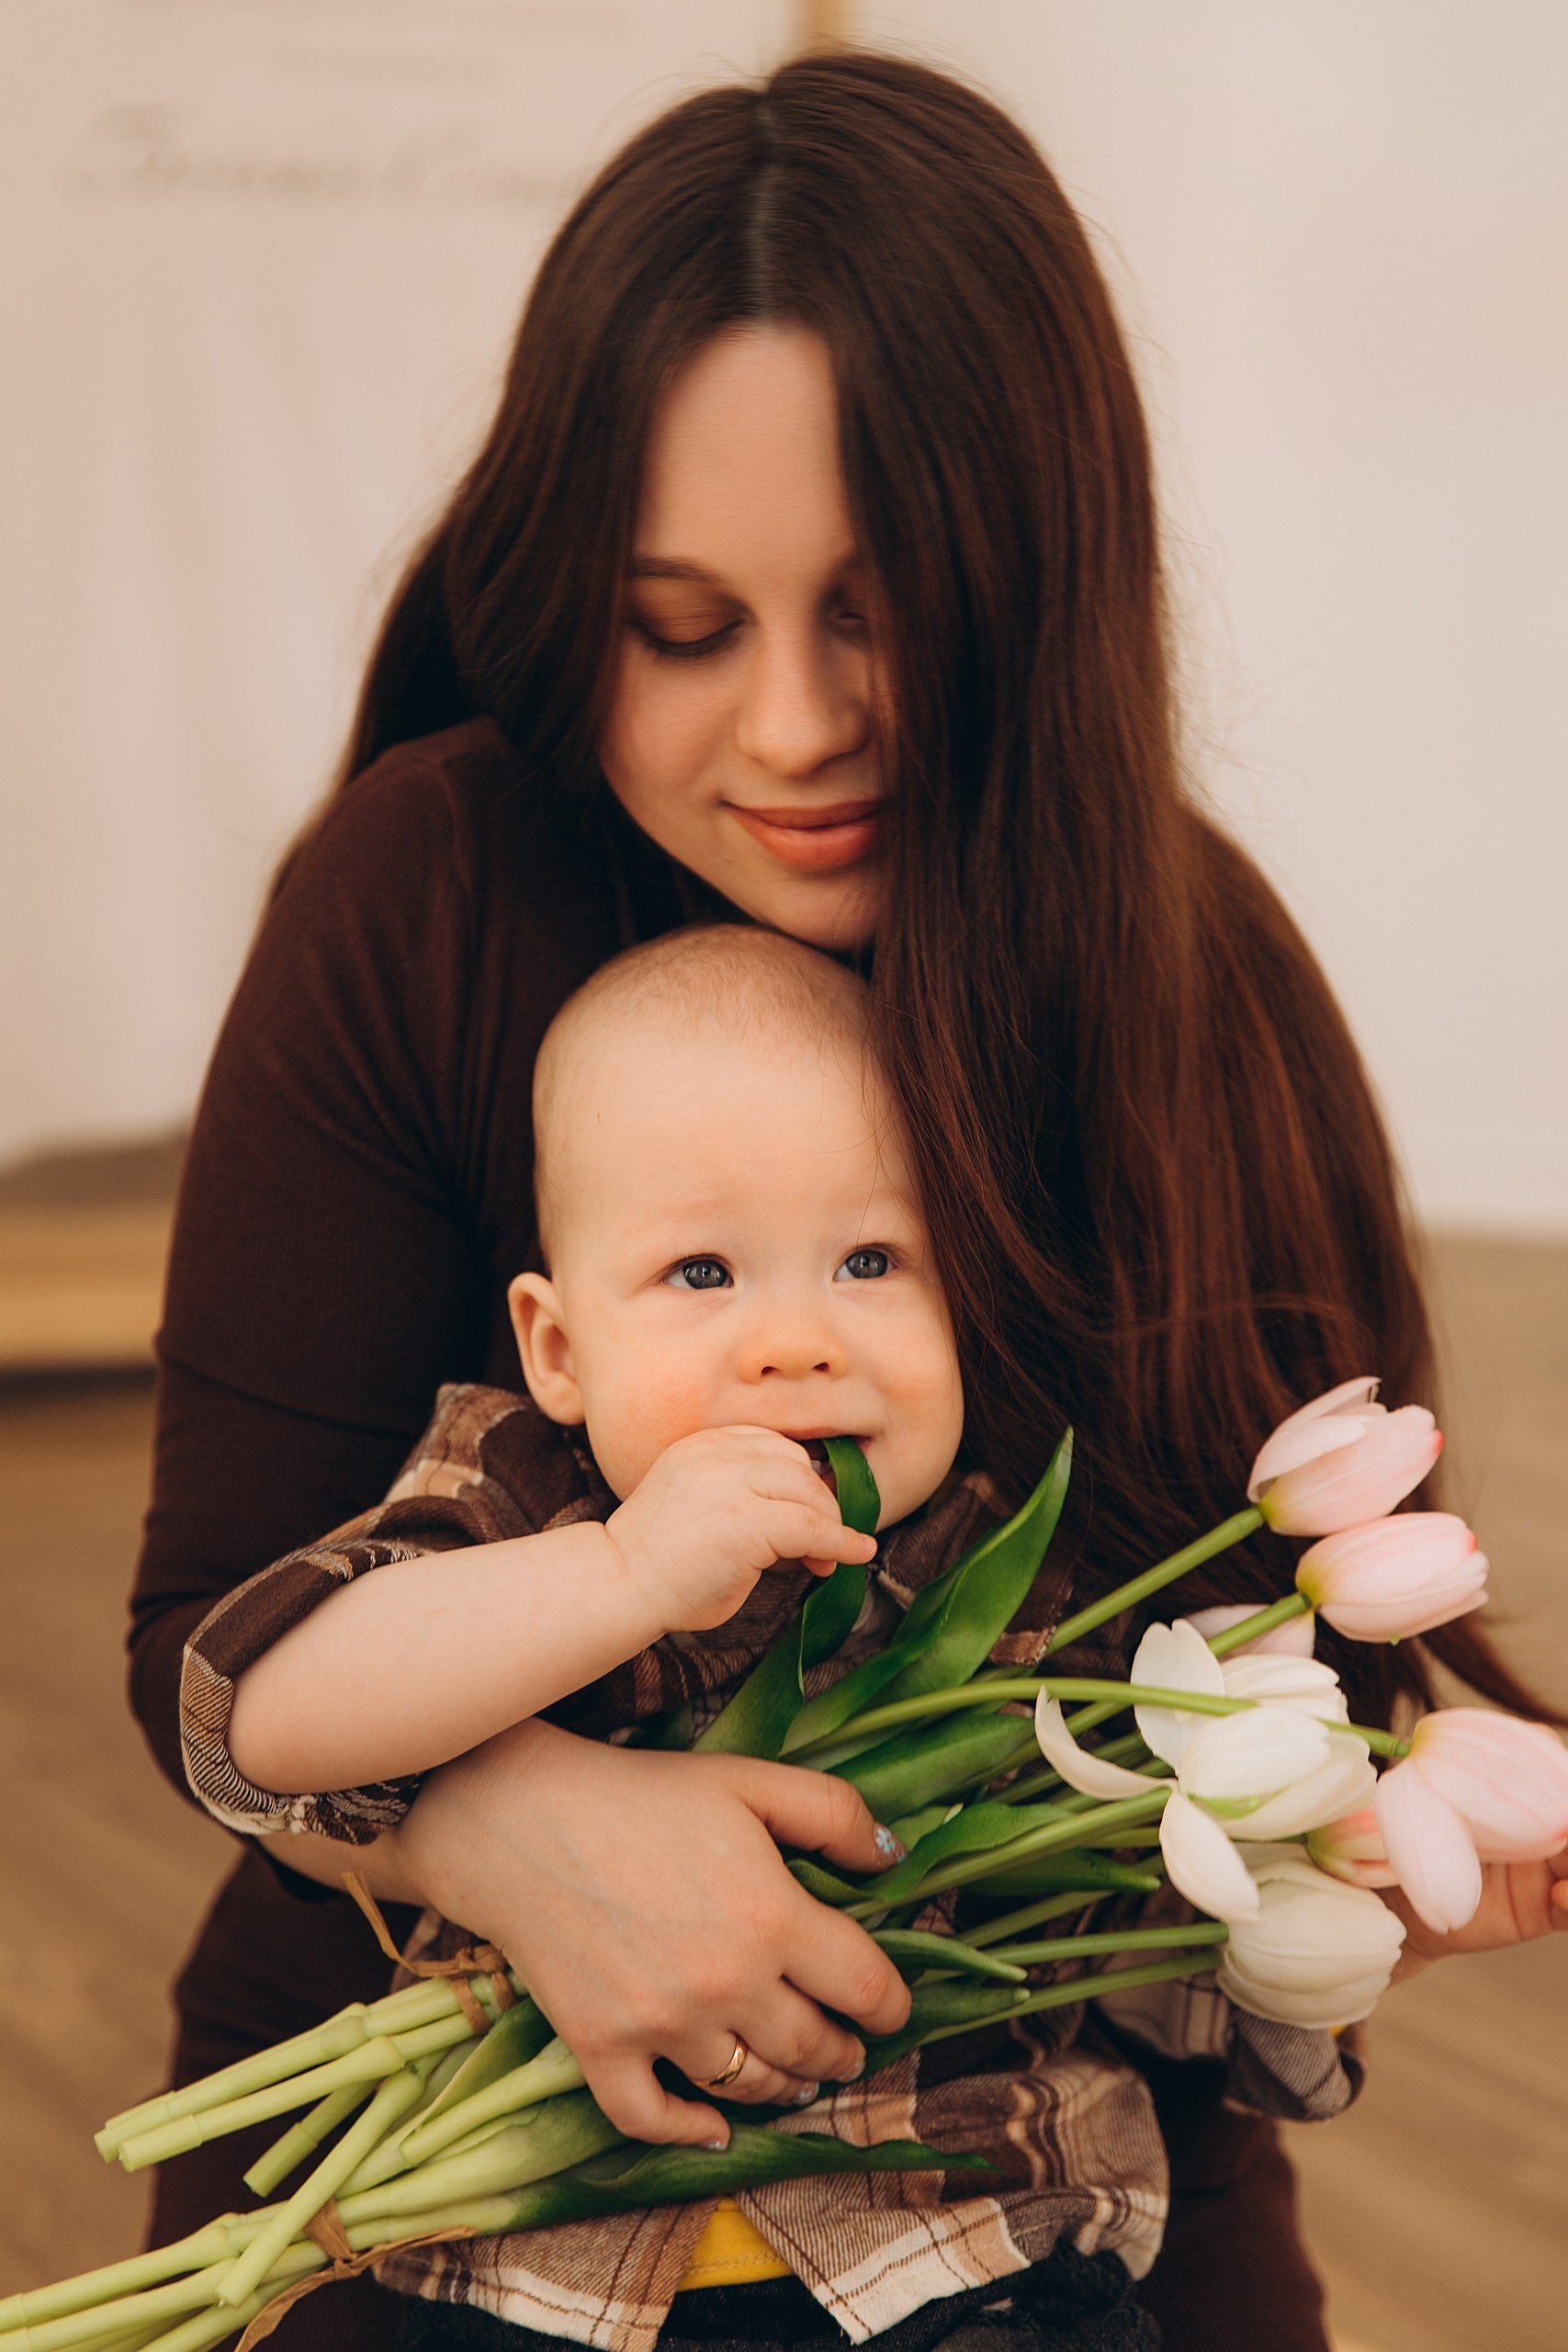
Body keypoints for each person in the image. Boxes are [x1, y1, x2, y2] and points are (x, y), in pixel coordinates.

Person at [128, 47, 1548, 2352]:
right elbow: (208, 1643)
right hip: (391, 2212)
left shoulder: (1197, 992)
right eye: (680, 625)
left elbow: (1285, 1697)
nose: (788, 729)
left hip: (1018, 2194)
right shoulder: (428, 893)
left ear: (1034, 574)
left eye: (877, 611)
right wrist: (526, 1831)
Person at [175, 923, 1362, 2352]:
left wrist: (1346, 1910)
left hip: (963, 2268)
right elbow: (255, 1719)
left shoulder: (1014, 1585)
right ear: (558, 1349)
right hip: (535, 2291)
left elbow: (1120, 1924)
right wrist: (617, 1576)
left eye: (870, 1258)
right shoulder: (517, 1509)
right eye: (701, 1275)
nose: (796, 1340)